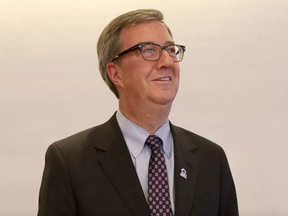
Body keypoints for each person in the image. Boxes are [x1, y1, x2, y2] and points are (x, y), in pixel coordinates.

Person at [37, 9, 238, 216]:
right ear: (116, 74)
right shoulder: (70, 162)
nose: (168, 62)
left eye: (170, 50)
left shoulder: (211, 159)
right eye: (149, 50)